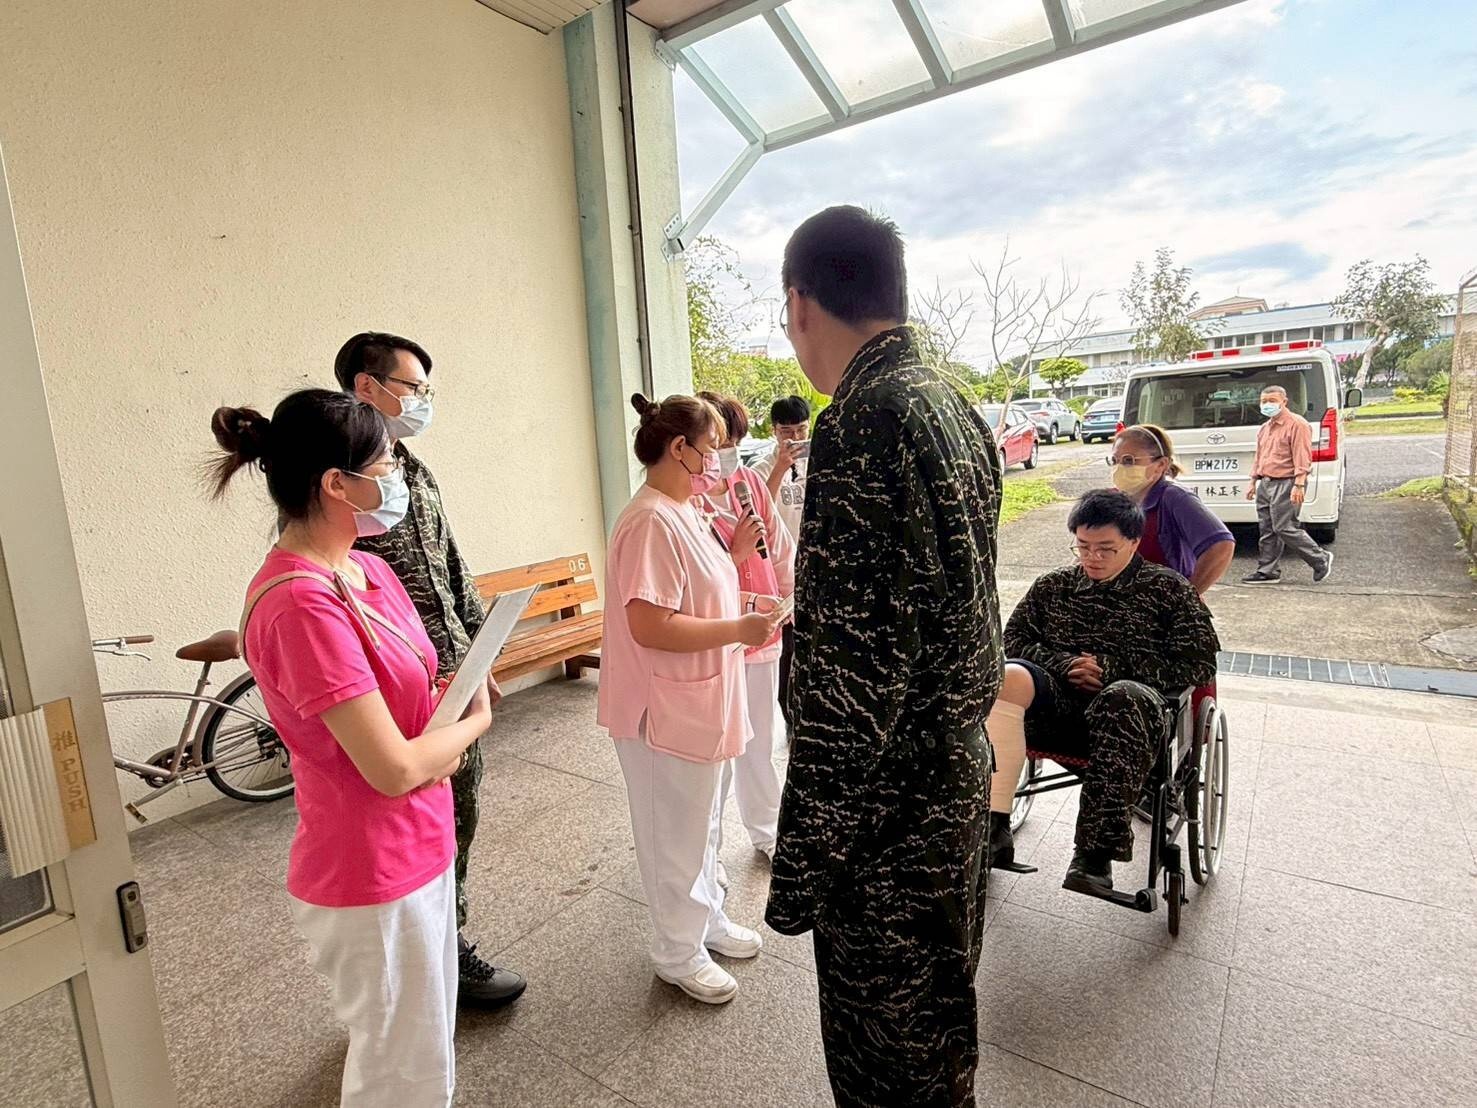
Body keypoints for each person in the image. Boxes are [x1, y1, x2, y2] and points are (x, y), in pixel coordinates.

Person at [764, 205, 1003, 1108]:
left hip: (888, 812)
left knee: (887, 1059)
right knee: (939, 1022)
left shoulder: (863, 420)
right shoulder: (949, 403)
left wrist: (801, 863)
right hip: (950, 780)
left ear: (799, 304)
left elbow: (849, 683)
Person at [211, 391, 496, 1106]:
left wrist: (452, 696)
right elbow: (393, 768)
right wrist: (473, 722)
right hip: (370, 866)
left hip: (422, 839)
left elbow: (414, 696)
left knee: (424, 1045)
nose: (398, 476)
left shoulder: (369, 570)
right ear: (337, 484)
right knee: (399, 1070)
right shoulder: (300, 602)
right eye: (386, 463)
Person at [333, 331, 524, 1007]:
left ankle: (446, 940)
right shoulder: (339, 481)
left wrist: (478, 650)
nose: (421, 400)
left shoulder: (409, 470)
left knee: (455, 811)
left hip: (448, 673)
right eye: (412, 387)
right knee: (403, 820)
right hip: (394, 685)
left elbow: (450, 562)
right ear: (367, 386)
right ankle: (419, 961)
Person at [596, 393, 787, 1005]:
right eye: (709, 449)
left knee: (702, 823)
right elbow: (649, 624)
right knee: (673, 835)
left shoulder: (687, 510)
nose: (717, 462)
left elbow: (700, 594)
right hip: (663, 709)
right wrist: (738, 628)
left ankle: (706, 920)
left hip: (700, 699)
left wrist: (748, 606)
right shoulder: (650, 520)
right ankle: (676, 951)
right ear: (678, 448)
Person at [986, 490, 1220, 895]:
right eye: (1083, 547)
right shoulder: (1053, 587)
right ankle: (994, 826)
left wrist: (1112, 669)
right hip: (1059, 711)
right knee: (1009, 676)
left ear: (1133, 542)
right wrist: (1065, 664)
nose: (1092, 558)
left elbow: (1198, 665)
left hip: (1132, 723)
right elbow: (1014, 640)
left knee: (1122, 695)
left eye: (1106, 549)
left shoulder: (1169, 591)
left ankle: (1094, 856)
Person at [695, 390, 796, 879]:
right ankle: (706, 850)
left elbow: (780, 547)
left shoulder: (751, 484)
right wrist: (734, 552)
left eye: (734, 440)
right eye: (720, 442)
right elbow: (695, 580)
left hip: (764, 634)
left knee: (759, 741)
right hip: (717, 640)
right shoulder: (686, 499)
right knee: (718, 751)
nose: (728, 451)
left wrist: (789, 600)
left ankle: (768, 830)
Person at [1109, 424, 1235, 595]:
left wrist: (1187, 596)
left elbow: (1221, 546)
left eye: (1128, 460)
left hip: (1162, 603)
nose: (1119, 468)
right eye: (1114, 461)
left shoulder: (1175, 498)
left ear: (1161, 464)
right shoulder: (1114, 498)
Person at [752, 394, 810, 727]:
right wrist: (781, 468)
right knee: (787, 648)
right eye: (787, 431)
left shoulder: (819, 461)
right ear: (774, 431)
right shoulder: (761, 468)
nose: (795, 438)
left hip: (813, 566)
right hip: (780, 572)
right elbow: (760, 512)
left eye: (801, 430)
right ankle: (789, 715)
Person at [1242, 384, 1333, 585]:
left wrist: (1299, 484)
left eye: (1272, 401)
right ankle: (1267, 570)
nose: (1267, 405)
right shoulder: (1265, 428)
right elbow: (1260, 456)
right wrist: (1253, 481)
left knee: (1284, 527)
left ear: (1284, 402)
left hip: (1287, 482)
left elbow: (1302, 456)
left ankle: (1319, 558)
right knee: (1267, 529)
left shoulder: (1297, 424)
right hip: (1266, 482)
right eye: (1264, 401)